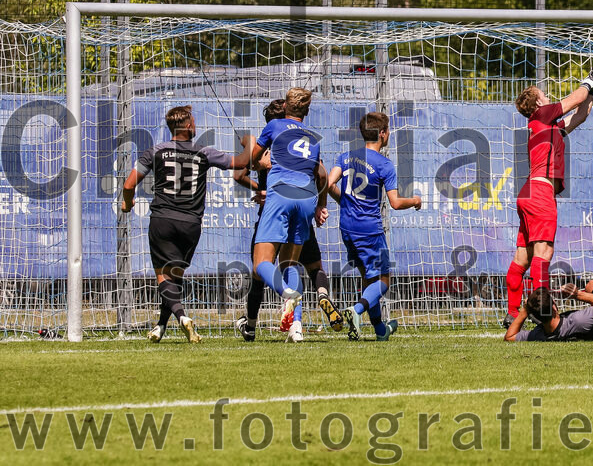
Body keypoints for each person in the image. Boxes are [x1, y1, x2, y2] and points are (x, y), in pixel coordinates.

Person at [121, 105, 253, 343]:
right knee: (175, 277)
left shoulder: (155, 151)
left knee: (164, 277)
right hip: (191, 224)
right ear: (190, 125)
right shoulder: (204, 152)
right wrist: (250, 142)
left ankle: (181, 317)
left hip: (162, 220)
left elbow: (129, 185)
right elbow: (243, 161)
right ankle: (161, 326)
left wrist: (127, 204)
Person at [503, 70, 593, 328]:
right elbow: (573, 100)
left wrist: (592, 90)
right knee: (543, 254)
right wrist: (589, 82)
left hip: (530, 192)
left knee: (521, 259)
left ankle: (513, 312)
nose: (548, 97)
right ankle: (544, 314)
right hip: (540, 192)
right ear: (537, 102)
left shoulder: (548, 125)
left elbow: (581, 114)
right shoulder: (542, 114)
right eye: (544, 95)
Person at [234, 99, 342, 342]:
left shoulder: (266, 146)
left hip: (273, 212)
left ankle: (251, 324)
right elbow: (322, 173)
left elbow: (239, 172)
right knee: (299, 266)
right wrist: (322, 204)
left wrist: (260, 187)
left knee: (259, 270)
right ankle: (297, 327)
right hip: (303, 206)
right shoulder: (303, 143)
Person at [327, 111, 421, 341]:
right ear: (382, 134)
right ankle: (356, 311)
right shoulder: (385, 165)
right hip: (370, 230)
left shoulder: (346, 156)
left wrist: (345, 202)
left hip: (347, 228)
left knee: (369, 280)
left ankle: (380, 330)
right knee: (383, 281)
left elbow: (329, 183)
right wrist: (416, 200)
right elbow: (396, 203)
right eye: (388, 130)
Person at [504, 281, 593, 342]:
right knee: (591, 285)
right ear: (554, 308)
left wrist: (524, 311)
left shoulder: (539, 335)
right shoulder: (577, 320)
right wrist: (577, 295)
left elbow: (509, 337)